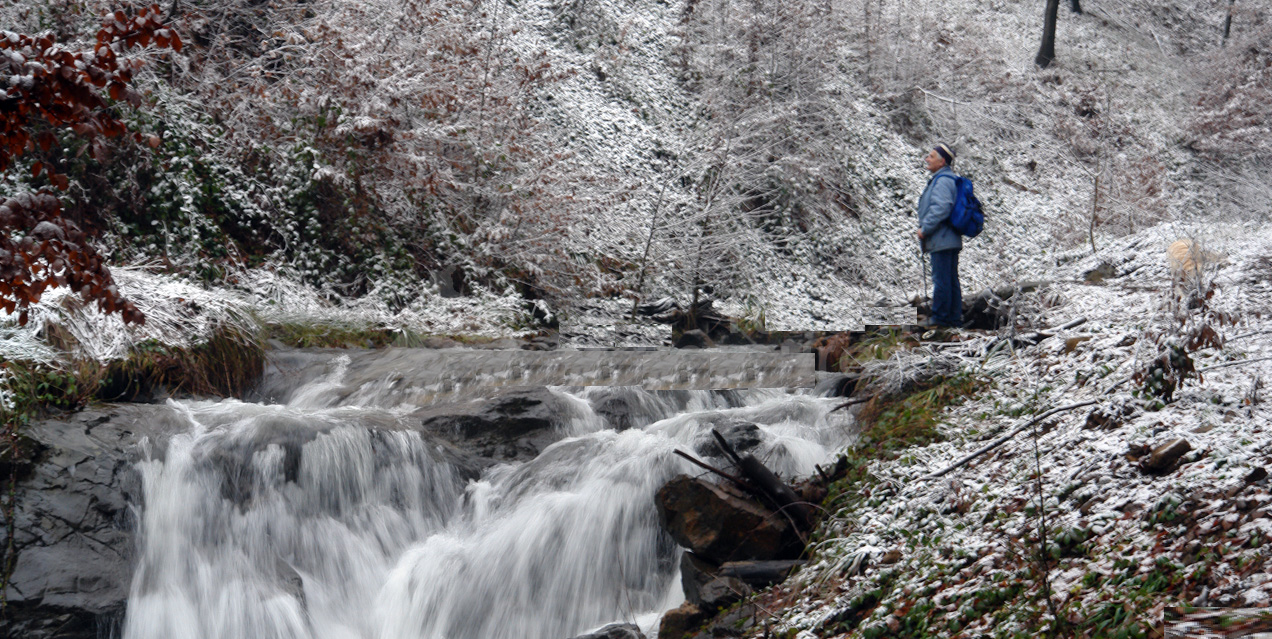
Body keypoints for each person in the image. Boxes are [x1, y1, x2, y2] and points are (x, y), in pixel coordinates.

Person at [916, 143, 962, 328]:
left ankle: (941, 318)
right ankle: (954, 318)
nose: (927, 159)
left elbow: (941, 207)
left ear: (942, 162)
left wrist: (925, 229)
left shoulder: (942, 181)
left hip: (941, 238)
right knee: (950, 278)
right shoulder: (947, 179)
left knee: (942, 279)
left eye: (931, 156)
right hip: (949, 238)